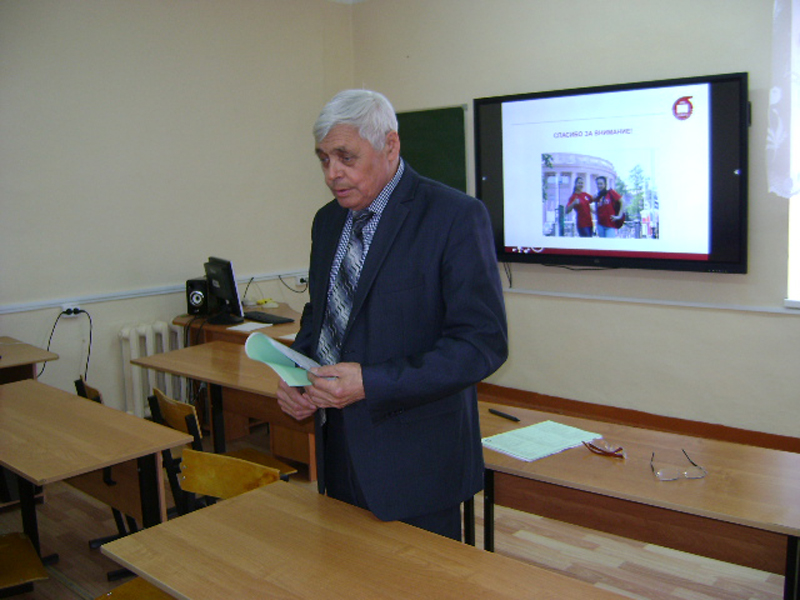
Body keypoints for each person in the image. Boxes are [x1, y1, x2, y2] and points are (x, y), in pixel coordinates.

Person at [275, 89, 508, 541]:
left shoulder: (454, 216)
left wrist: (371, 383)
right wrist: (298, 376)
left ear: (390, 146)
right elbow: (321, 315)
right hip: (338, 450)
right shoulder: (327, 221)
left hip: (417, 464)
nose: (332, 173)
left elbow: (482, 344)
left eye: (346, 157)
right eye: (324, 159)